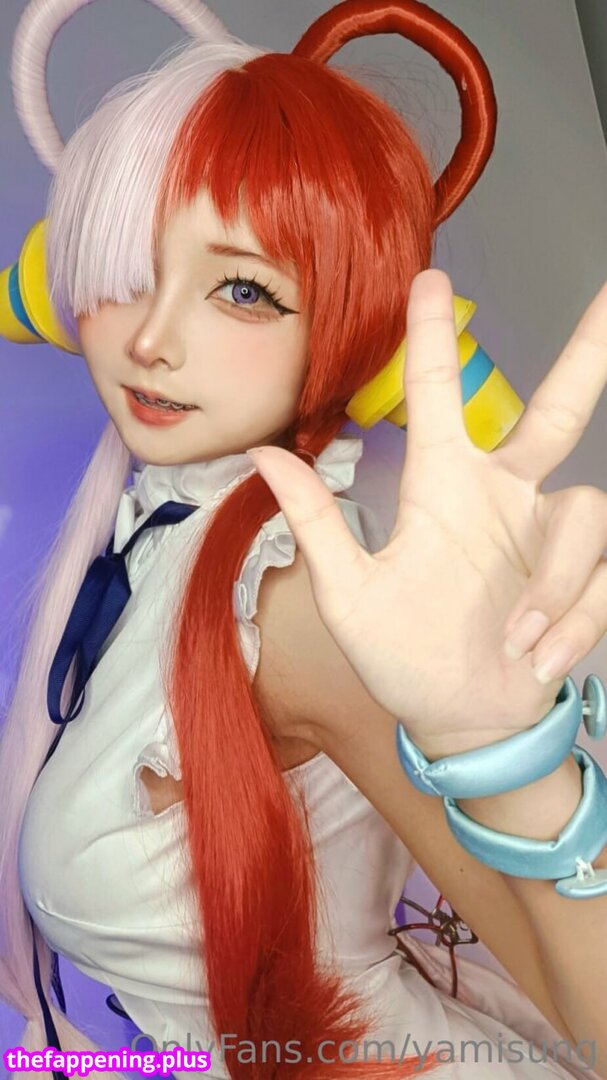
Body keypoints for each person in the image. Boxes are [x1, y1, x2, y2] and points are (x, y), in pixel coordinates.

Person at [1, 1, 605, 1078]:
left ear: (343, 334)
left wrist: (508, 748)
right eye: (129, 267)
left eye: (243, 289)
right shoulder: (162, 540)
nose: (152, 338)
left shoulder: (289, 602)